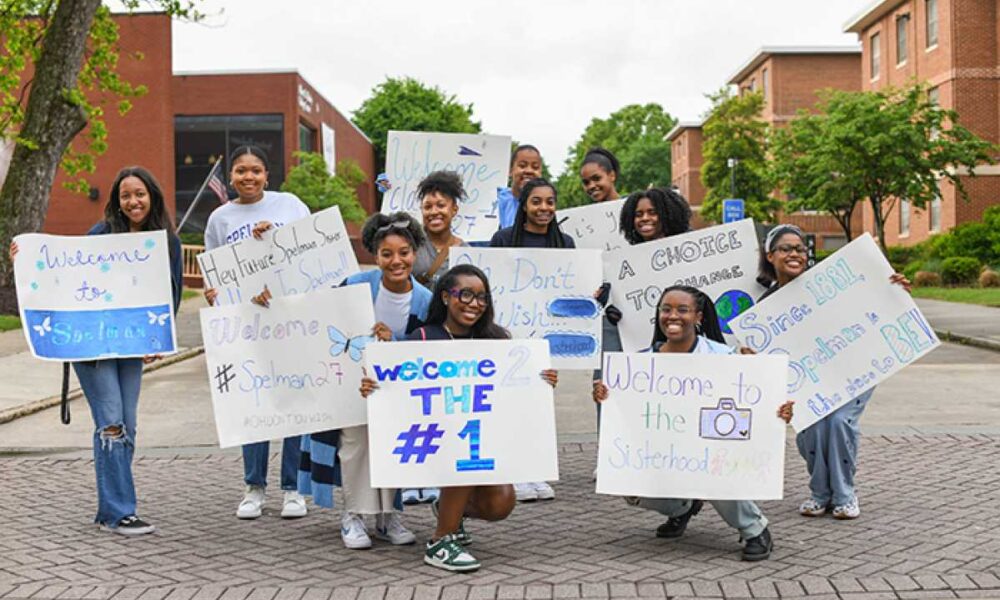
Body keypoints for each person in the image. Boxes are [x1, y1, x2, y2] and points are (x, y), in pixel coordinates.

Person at [9, 167, 182, 535]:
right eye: (125, 195)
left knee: (128, 425)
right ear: (116, 202)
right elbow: (65, 278)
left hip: (131, 346)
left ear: (152, 196)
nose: (133, 201)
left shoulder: (166, 241)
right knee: (112, 424)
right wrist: (23, 262)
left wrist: (157, 339)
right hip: (91, 347)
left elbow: (172, 293)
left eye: (139, 194)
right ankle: (119, 512)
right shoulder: (102, 235)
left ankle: (110, 508)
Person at [358, 264, 558, 571]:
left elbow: (514, 393)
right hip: (438, 446)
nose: (474, 303)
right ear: (445, 297)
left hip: (483, 444)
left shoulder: (497, 342)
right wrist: (375, 387)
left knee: (501, 503)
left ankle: (450, 510)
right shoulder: (423, 338)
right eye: (465, 294)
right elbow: (395, 385)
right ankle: (441, 540)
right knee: (461, 459)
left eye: (481, 297)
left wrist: (540, 381)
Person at [593, 285, 778, 561]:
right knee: (628, 483)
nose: (672, 316)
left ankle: (755, 528)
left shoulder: (724, 358)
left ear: (699, 317)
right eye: (666, 310)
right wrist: (605, 395)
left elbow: (757, 404)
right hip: (665, 452)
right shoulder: (639, 364)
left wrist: (758, 377)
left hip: (712, 450)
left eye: (682, 310)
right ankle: (682, 508)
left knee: (714, 472)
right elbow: (624, 412)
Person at [757, 225, 911, 520]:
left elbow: (874, 304)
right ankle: (820, 493)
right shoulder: (766, 306)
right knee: (812, 428)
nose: (794, 254)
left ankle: (844, 494)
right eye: (786, 249)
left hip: (852, 370)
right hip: (807, 381)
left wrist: (894, 291)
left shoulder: (831, 285)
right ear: (770, 255)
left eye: (800, 248)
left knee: (839, 422)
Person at [298, 212, 431, 550]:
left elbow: (432, 343)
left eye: (404, 252)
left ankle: (388, 516)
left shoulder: (426, 300)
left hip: (400, 392)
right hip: (353, 386)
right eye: (387, 254)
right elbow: (316, 314)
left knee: (394, 446)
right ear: (375, 255)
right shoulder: (355, 286)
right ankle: (353, 514)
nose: (396, 261)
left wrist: (396, 342)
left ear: (414, 252)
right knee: (355, 446)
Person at [202, 145, 311, 520]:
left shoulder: (290, 206)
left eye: (256, 170)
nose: (248, 177)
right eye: (240, 171)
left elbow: (310, 254)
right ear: (230, 176)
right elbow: (216, 270)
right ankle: (254, 486)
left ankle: (293, 489)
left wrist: (273, 237)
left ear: (268, 175)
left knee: (293, 403)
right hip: (247, 326)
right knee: (254, 401)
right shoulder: (220, 218)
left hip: (291, 320)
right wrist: (214, 292)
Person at [594, 188, 694, 426]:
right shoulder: (622, 260)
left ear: (668, 214)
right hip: (631, 340)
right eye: (638, 214)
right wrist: (609, 307)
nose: (644, 219)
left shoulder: (692, 252)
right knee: (612, 392)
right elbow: (606, 299)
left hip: (680, 344)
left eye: (652, 212)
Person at [413, 170, 469, 289]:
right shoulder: (411, 246)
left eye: (441, 205)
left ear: (454, 209)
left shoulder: (465, 251)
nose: (434, 212)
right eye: (428, 207)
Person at [490, 178, 575, 249]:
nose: (544, 208)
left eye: (550, 202)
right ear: (524, 206)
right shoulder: (502, 239)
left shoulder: (565, 243)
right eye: (536, 202)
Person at [496, 145, 543, 228]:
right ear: (510, 170)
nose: (529, 171)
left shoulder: (545, 206)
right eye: (522, 166)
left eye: (535, 167)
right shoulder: (496, 200)